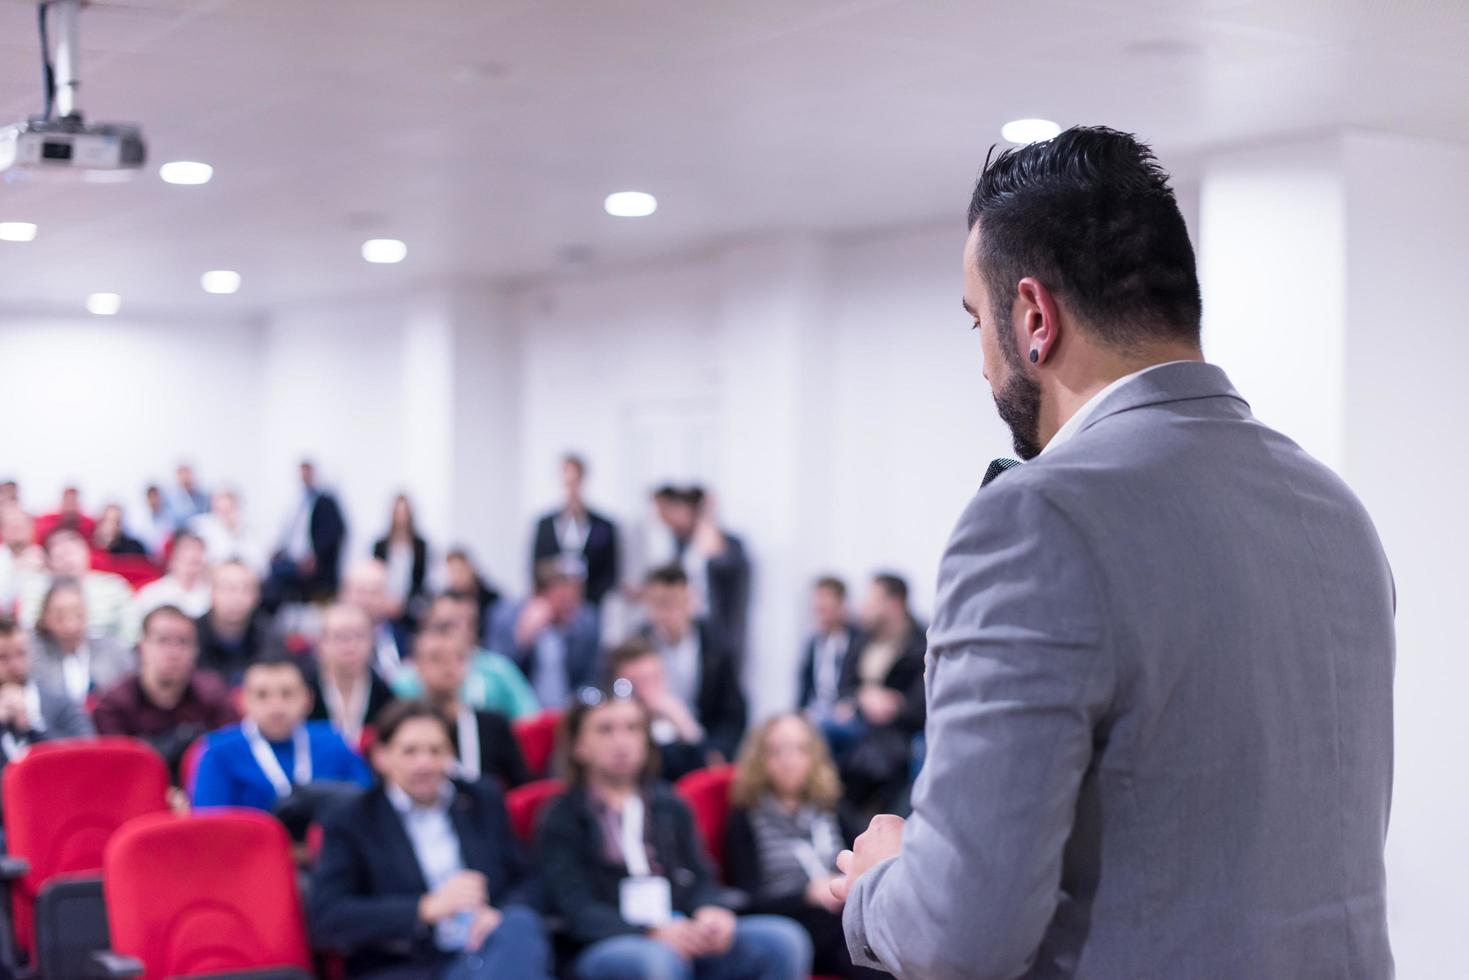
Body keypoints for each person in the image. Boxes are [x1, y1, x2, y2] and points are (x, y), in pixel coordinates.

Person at [832, 127, 1396, 979]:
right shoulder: (1334, 509)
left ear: (1032, 318)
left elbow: (961, 935)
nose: (982, 363)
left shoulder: (1036, 518)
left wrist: (883, 884)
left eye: (975, 321)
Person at [538, 686, 812, 980]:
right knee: (657, 963)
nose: (622, 742)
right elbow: (576, 909)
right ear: (579, 745)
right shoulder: (562, 816)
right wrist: (651, 932)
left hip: (680, 928)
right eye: (605, 730)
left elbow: (702, 876)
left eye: (633, 729)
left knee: (783, 940)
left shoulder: (670, 804)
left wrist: (711, 911)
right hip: (610, 942)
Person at [310, 699, 553, 979]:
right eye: (410, 751)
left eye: (436, 750)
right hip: (409, 965)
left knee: (519, 924)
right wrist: (425, 908)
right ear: (381, 756)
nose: (424, 763)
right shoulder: (352, 818)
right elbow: (329, 916)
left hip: (487, 948)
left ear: (451, 754)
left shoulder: (481, 799)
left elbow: (529, 880)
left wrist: (497, 915)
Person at [726, 715, 880, 980]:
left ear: (814, 757)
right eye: (777, 751)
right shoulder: (746, 816)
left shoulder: (829, 804)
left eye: (800, 749)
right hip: (794, 919)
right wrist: (806, 895)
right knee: (864, 948)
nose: (789, 761)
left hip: (844, 908)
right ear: (759, 760)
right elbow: (749, 901)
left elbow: (868, 852)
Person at [192, 654, 372, 813]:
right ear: (242, 701)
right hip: (252, 850)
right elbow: (210, 825)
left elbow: (367, 802)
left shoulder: (333, 742)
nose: (276, 707)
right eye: (262, 695)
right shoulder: (218, 751)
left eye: (287, 694)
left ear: (307, 699)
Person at [92, 604, 239, 773]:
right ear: (142, 647)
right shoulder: (113, 706)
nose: (173, 652)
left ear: (196, 651)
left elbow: (232, 759)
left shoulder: (213, 695)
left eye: (183, 642)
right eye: (163, 640)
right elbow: (116, 771)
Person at [830, 575, 926, 814]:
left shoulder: (921, 644)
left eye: (873, 601)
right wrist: (863, 697)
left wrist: (893, 706)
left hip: (899, 730)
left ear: (894, 604)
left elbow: (921, 703)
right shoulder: (861, 640)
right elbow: (843, 688)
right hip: (855, 720)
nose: (864, 607)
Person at [639, 565, 746, 763]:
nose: (669, 613)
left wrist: (717, 750)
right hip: (648, 746)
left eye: (676, 603)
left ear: (690, 601)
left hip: (700, 742)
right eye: (660, 604)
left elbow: (733, 712)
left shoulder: (716, 646)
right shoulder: (636, 646)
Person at [410, 622, 528, 790]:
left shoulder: (493, 725)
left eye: (458, 657)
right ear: (416, 666)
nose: (448, 666)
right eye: (436, 657)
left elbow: (521, 787)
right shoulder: (405, 728)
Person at [395, 593, 539, 722]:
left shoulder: (499, 670)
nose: (448, 666)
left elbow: (529, 719)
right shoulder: (402, 682)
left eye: (464, 622)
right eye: (445, 623)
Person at [650, 486, 750, 660]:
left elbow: (725, 566)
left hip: (720, 626)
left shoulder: (729, 543)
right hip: (689, 625)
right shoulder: (679, 544)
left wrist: (709, 521)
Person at [488, 557, 602, 710]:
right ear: (540, 594)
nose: (570, 604)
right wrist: (524, 638)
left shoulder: (586, 622)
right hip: (520, 710)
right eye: (563, 597)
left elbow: (590, 678)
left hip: (567, 710)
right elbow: (497, 674)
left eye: (576, 596)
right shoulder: (506, 616)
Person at [606, 639, 712, 782]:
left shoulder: (674, 724)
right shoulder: (610, 732)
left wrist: (683, 723)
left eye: (655, 678)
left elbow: (709, 769)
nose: (649, 691)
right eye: (639, 682)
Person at [0, 615, 95, 769]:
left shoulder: (63, 705)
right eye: (3, 657)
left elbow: (87, 759)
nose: (14, 665)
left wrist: (31, 725)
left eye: (21, 653)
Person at [530, 454, 620, 608]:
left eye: (575, 481)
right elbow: (536, 567)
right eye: (567, 481)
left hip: (590, 605)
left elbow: (610, 573)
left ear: (583, 480)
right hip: (552, 607)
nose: (571, 488)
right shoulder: (545, 524)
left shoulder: (604, 526)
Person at [29, 577, 135, 706]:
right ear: (45, 617)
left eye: (77, 612)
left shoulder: (112, 650)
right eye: (60, 615)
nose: (70, 623)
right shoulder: (32, 653)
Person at [17, 528, 131, 641]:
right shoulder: (36, 589)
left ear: (87, 554)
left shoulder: (113, 586)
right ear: (49, 563)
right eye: (60, 556)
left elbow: (130, 630)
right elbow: (28, 629)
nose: (68, 561)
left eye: (73, 553)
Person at [309, 603, 398, 748]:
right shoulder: (305, 692)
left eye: (359, 636)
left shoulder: (386, 697)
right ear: (321, 643)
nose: (350, 645)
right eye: (339, 637)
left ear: (372, 641)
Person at [269, 460, 347, 604]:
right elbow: (290, 531)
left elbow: (334, 532)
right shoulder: (297, 501)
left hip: (316, 566)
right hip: (294, 559)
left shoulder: (325, 501)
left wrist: (315, 555)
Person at [195, 560, 279, 685]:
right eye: (228, 588)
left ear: (257, 596)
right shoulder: (192, 634)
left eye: (245, 589)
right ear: (212, 593)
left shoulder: (269, 635)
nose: (236, 598)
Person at [795, 577, 864, 721]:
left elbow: (863, 683)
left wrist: (851, 704)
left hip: (846, 714)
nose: (821, 614)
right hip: (815, 712)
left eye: (826, 608)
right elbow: (805, 688)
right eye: (818, 609)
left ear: (841, 605)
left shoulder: (859, 640)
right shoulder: (813, 643)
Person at [126, 530, 212, 642]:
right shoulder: (152, 594)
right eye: (188, 560)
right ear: (173, 559)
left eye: (197, 562)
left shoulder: (211, 595)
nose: (192, 569)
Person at [342, 559, 412, 680]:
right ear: (345, 595)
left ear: (388, 597)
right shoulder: (329, 641)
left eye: (375, 592)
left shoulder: (407, 639)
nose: (367, 600)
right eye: (361, 591)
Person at [373, 494, 429, 633]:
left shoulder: (420, 546)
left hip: (411, 609)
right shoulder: (380, 545)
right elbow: (375, 576)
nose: (401, 517)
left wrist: (404, 604)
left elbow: (423, 581)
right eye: (398, 512)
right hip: (383, 605)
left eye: (404, 513)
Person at [191, 488, 268, 573]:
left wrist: (236, 531)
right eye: (221, 510)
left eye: (229, 509)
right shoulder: (202, 525)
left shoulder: (248, 530)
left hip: (244, 576)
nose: (226, 515)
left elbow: (260, 563)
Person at [0, 502, 43, 610]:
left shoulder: (46, 558)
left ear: (31, 528)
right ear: (3, 530)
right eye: (12, 526)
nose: (17, 529)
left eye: (21, 525)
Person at [132, 484, 175, 561]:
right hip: (146, 556)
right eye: (151, 497)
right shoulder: (140, 520)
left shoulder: (169, 517)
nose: (154, 501)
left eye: (156, 497)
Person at [167, 463, 210, 530]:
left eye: (187, 476)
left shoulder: (203, 495)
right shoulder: (171, 499)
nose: (186, 480)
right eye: (183, 478)